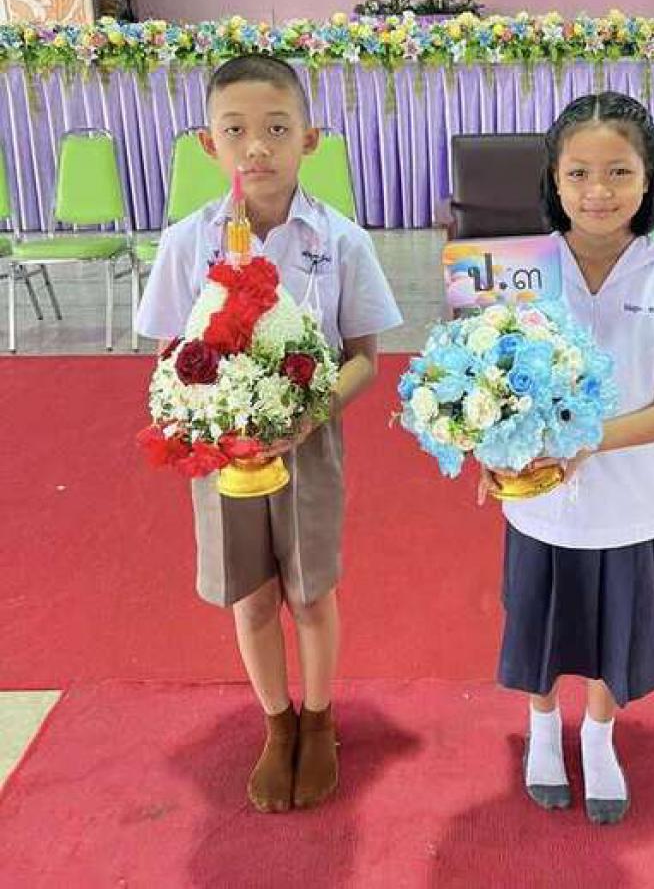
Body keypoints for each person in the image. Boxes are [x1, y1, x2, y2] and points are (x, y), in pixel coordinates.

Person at [137, 54, 401, 813]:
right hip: (222, 453)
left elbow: (365, 359)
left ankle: (318, 721)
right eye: (236, 131)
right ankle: (276, 723)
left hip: (309, 446)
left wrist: (309, 414)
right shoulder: (188, 241)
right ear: (207, 143)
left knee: (311, 592)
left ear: (309, 139)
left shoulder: (340, 240)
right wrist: (203, 418)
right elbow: (169, 356)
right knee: (250, 597)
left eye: (277, 129)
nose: (257, 147)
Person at [478, 92, 654, 824]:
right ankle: (542, 729)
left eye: (619, 172)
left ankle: (599, 733)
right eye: (578, 173)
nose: (598, 191)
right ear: (553, 180)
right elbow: (475, 378)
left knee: (617, 631)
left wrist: (596, 439)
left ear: (649, 180)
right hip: (538, 498)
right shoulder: (515, 267)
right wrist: (483, 446)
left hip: (631, 501)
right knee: (538, 624)